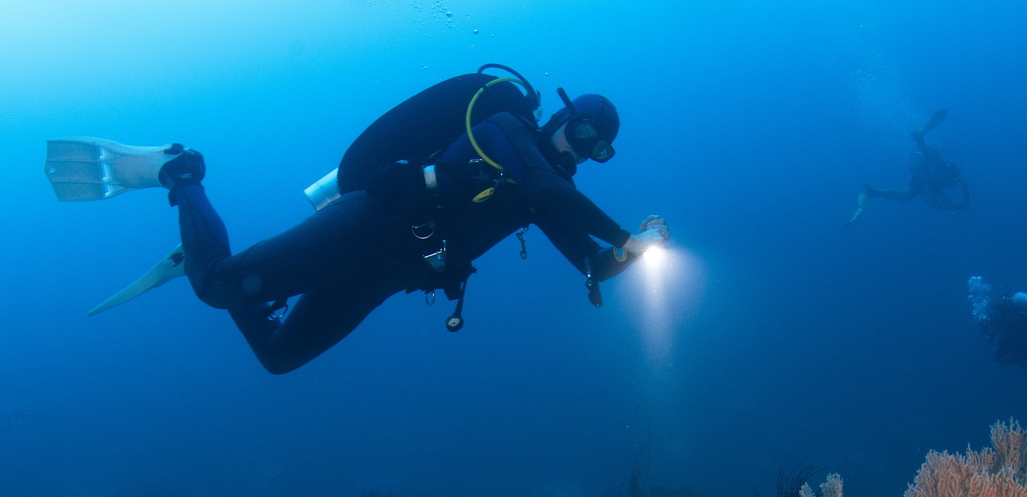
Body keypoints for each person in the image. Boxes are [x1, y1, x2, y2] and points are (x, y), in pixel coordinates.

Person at [49, 77, 667, 375]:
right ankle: (181, 175)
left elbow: (590, 263)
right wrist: (624, 233)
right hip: (365, 226)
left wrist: (630, 254)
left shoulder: (547, 194)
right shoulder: (506, 128)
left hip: (385, 277)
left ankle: (236, 270)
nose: (583, 151)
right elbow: (543, 183)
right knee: (215, 288)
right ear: (561, 116)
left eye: (598, 151)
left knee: (280, 357)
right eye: (582, 134)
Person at [848, 109, 969, 222]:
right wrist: (965, 201)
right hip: (924, 175)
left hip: (923, 178)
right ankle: (919, 138)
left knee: (905, 196)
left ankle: (872, 192)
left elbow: (954, 190)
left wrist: (959, 204)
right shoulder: (949, 168)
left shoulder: (944, 173)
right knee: (935, 167)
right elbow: (963, 184)